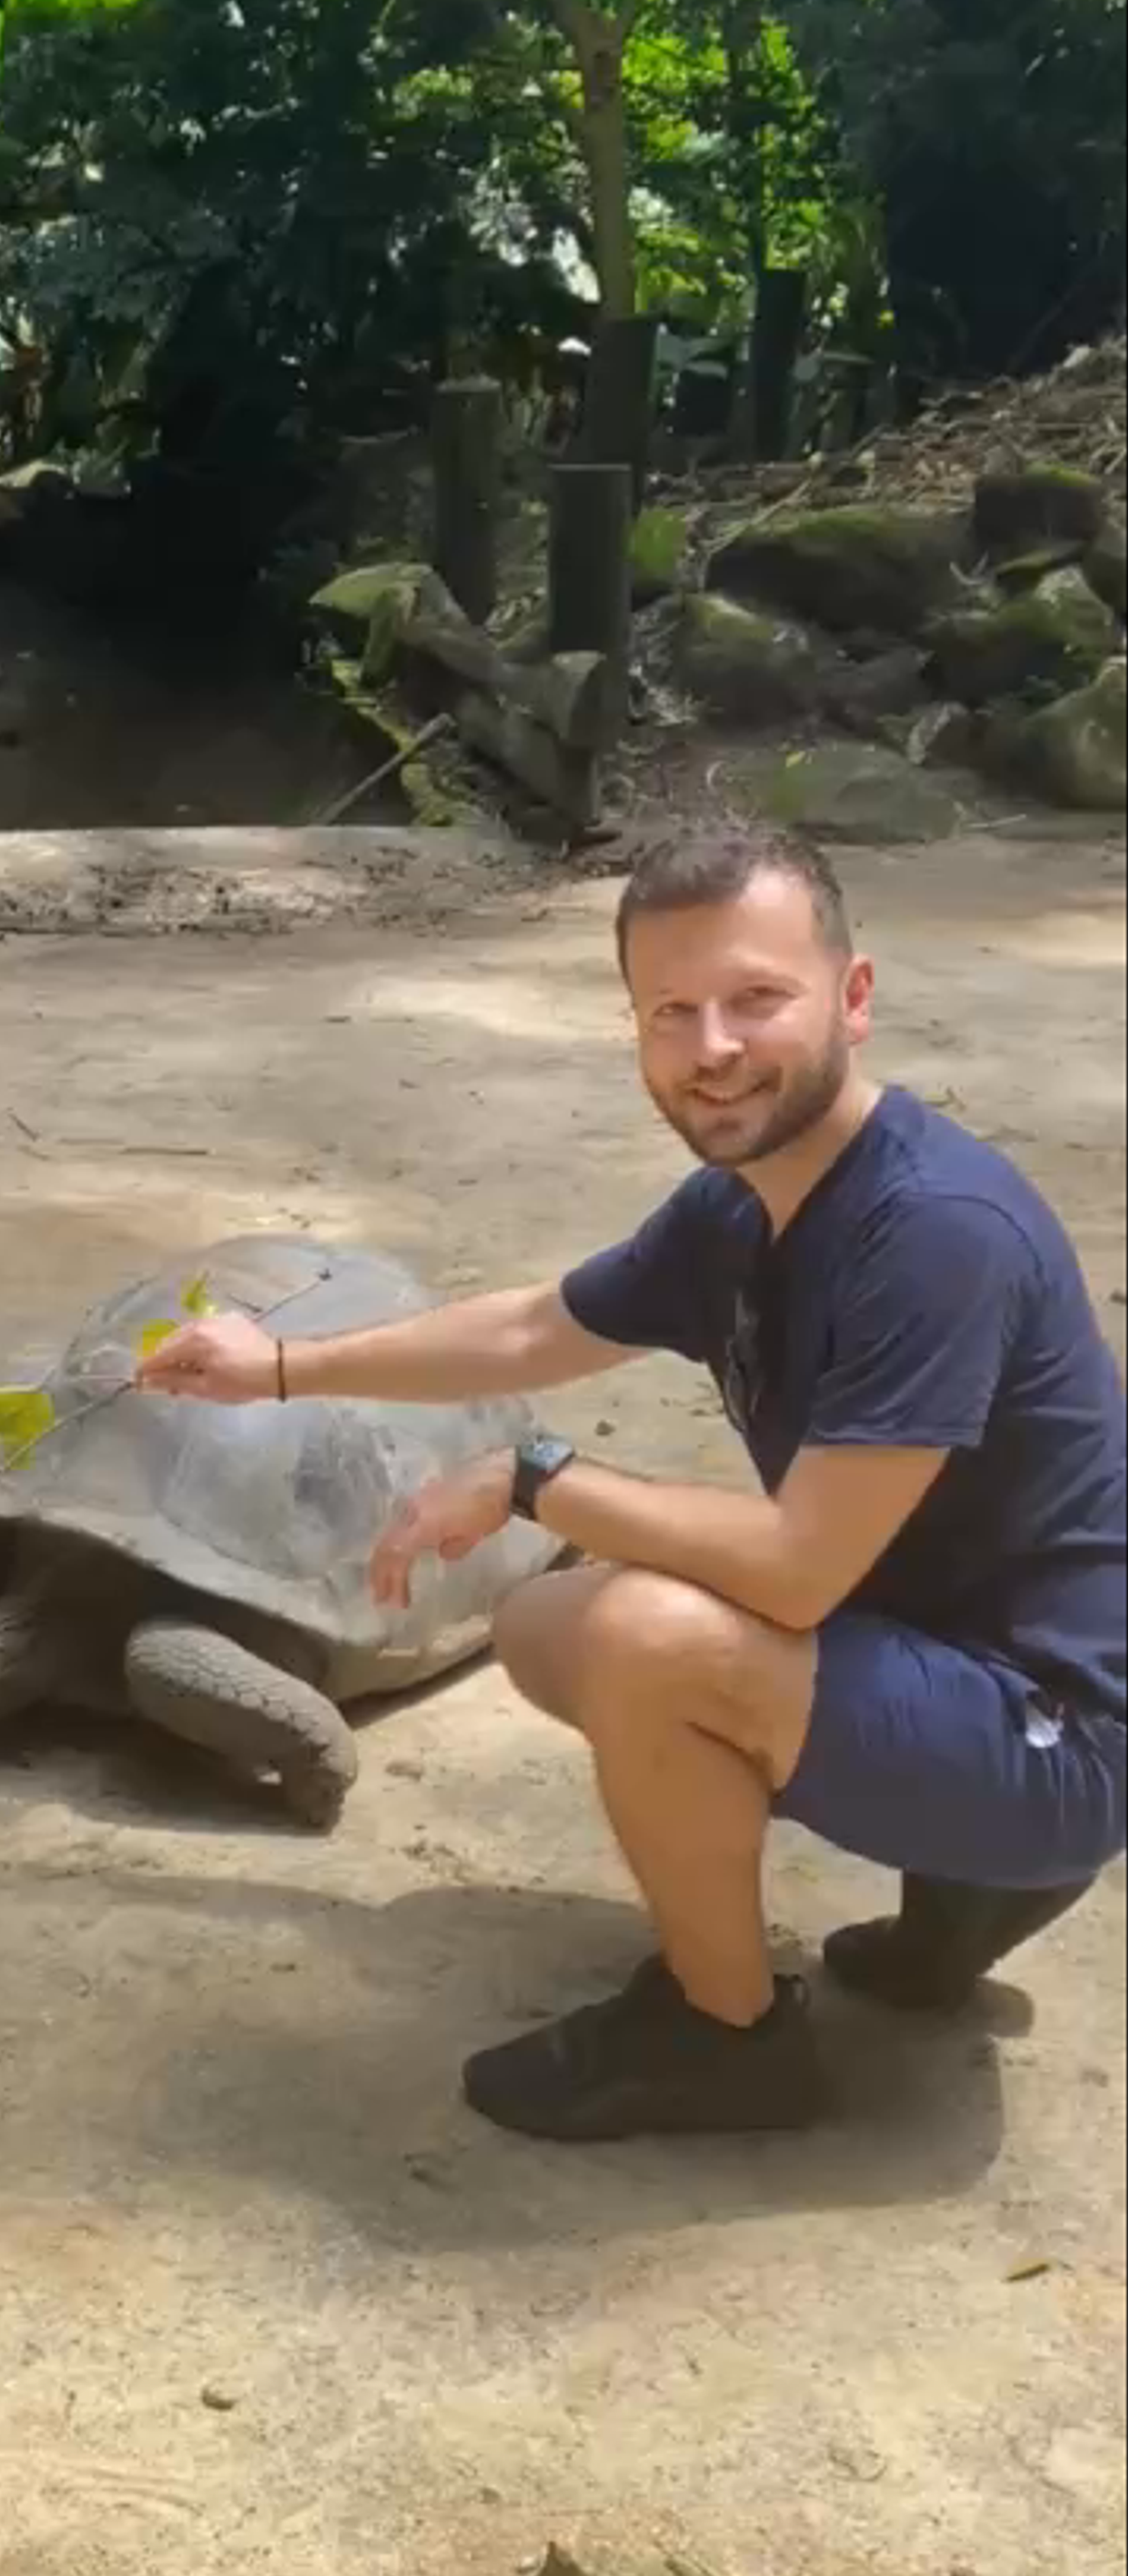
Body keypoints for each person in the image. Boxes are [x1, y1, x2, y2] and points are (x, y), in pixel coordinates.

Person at [140, 823, 1126, 2143]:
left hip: (1067, 1729)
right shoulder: (743, 1205)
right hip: (955, 1655)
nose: (713, 1045)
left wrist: (536, 1475)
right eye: (673, 1010)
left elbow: (797, 1570)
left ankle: (730, 2039)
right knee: (548, 1624)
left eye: (756, 997)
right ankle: (966, 1897)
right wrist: (276, 1366)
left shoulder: (934, 1231)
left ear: (854, 995)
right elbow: (535, 1327)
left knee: (644, 1639)